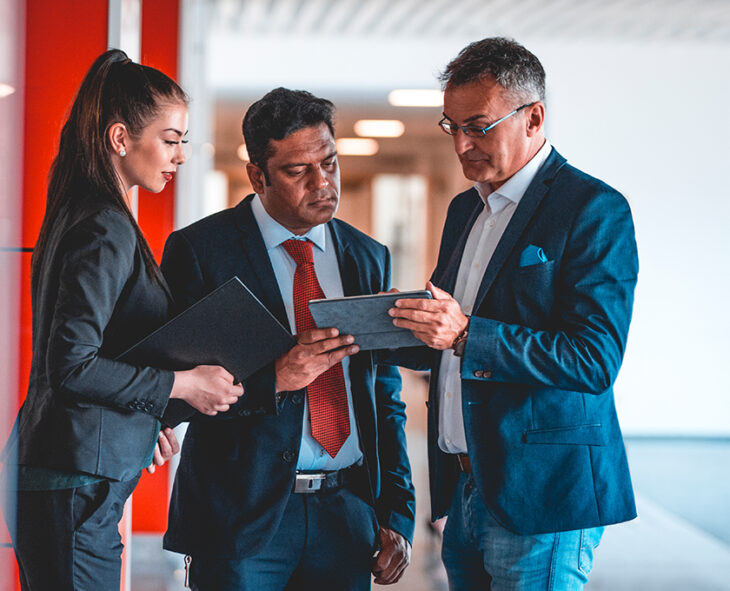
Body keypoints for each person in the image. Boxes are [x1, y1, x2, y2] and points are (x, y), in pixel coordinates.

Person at [387, 37, 639, 589]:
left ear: (534, 118)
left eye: (478, 126)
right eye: (451, 127)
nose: (461, 145)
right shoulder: (464, 210)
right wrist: (370, 329)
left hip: (542, 498)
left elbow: (593, 360)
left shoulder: (594, 209)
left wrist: (465, 333)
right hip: (466, 488)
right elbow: (446, 332)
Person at [0, 49, 243, 591]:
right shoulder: (105, 226)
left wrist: (142, 418)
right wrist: (184, 383)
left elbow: (98, 357)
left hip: (71, 475)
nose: (180, 155)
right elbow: (72, 365)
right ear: (119, 138)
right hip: (71, 480)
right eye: (171, 138)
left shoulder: (86, 213)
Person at [160, 87, 415, 590]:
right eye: (299, 171)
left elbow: (384, 395)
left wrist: (396, 514)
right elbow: (173, 394)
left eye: (331, 163)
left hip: (346, 514)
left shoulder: (367, 257)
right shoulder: (201, 252)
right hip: (240, 521)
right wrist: (273, 380)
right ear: (258, 175)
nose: (323, 183)